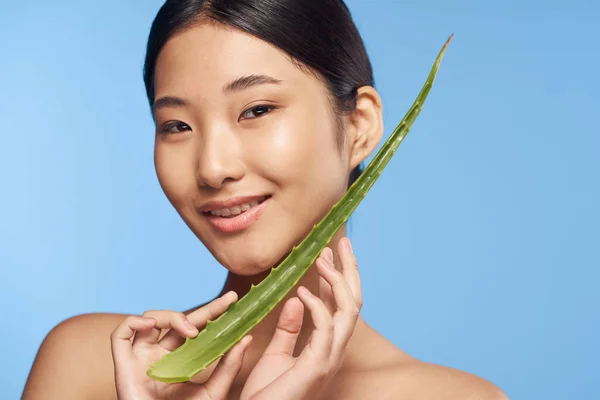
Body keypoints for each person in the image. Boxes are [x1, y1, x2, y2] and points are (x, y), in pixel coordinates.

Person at [22, 1, 508, 399]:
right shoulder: (90, 366)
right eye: (177, 126)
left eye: (256, 110)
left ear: (359, 126)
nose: (213, 167)